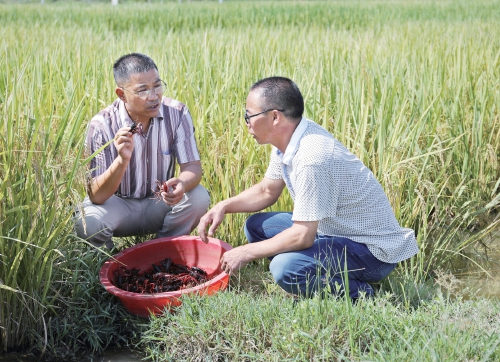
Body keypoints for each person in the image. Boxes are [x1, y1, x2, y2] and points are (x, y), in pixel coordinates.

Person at [197, 76, 419, 299]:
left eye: (249, 116)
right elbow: (267, 190)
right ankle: (313, 273)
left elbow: (303, 235)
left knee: (285, 268)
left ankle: (362, 294)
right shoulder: (290, 138)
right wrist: (223, 206)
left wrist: (245, 252)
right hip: (332, 231)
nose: (246, 122)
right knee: (256, 226)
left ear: (275, 117)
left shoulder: (312, 157)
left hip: (370, 250)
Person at [75, 53, 210, 249]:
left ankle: (163, 251)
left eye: (157, 85)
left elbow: (193, 167)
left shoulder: (178, 113)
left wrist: (181, 182)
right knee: (87, 222)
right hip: (119, 207)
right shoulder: (102, 125)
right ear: (121, 94)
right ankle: (112, 265)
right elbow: (96, 196)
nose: (153, 96)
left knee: (198, 196)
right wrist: (121, 160)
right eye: (142, 90)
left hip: (159, 202)